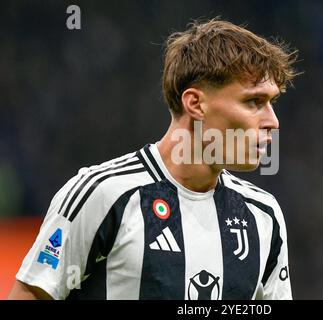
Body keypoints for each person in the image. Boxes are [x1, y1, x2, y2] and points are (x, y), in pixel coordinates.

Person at [8, 18, 298, 300]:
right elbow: (32, 293)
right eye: (254, 102)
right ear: (195, 103)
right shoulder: (105, 194)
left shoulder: (262, 215)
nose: (272, 121)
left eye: (271, 103)